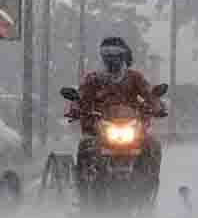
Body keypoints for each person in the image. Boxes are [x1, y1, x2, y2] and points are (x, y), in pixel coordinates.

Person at [68, 37, 164, 199]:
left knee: (153, 145)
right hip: (99, 129)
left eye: (115, 54)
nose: (111, 59)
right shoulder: (93, 79)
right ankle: (84, 190)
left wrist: (157, 106)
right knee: (86, 146)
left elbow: (149, 94)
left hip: (132, 129)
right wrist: (76, 108)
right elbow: (81, 96)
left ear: (124, 56)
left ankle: (149, 187)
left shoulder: (135, 78)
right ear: (102, 57)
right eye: (107, 54)